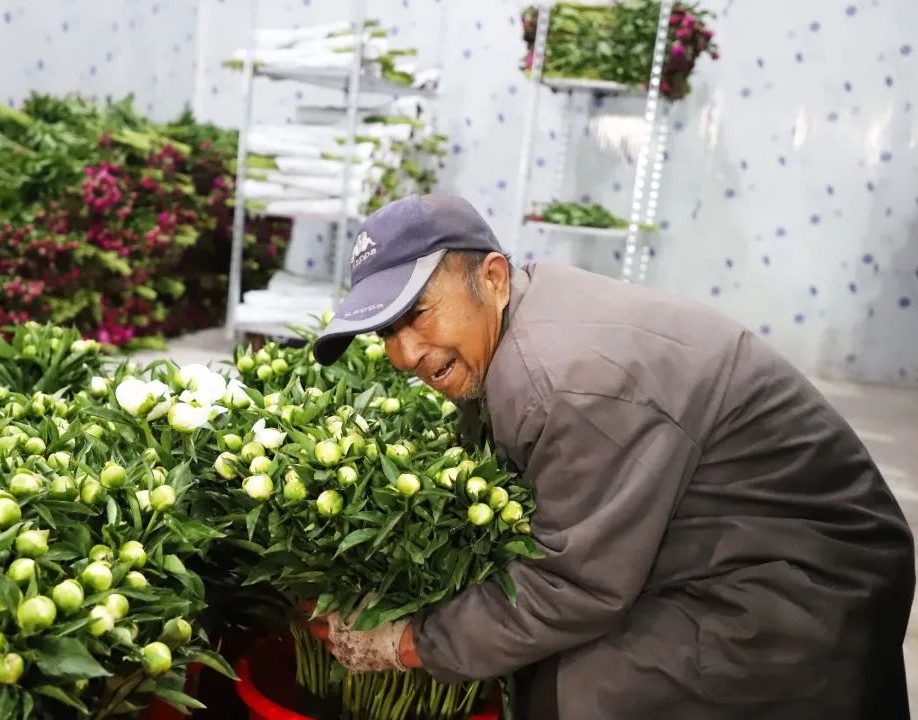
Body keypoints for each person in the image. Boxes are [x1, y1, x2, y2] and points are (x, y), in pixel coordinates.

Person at [306, 193, 915, 719]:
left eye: (416, 313)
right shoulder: (517, 322)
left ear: (492, 277)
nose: (405, 352)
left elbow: (572, 587)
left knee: (578, 696)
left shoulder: (563, 378)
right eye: (385, 331)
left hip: (802, 580)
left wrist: (408, 643)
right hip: (728, 541)